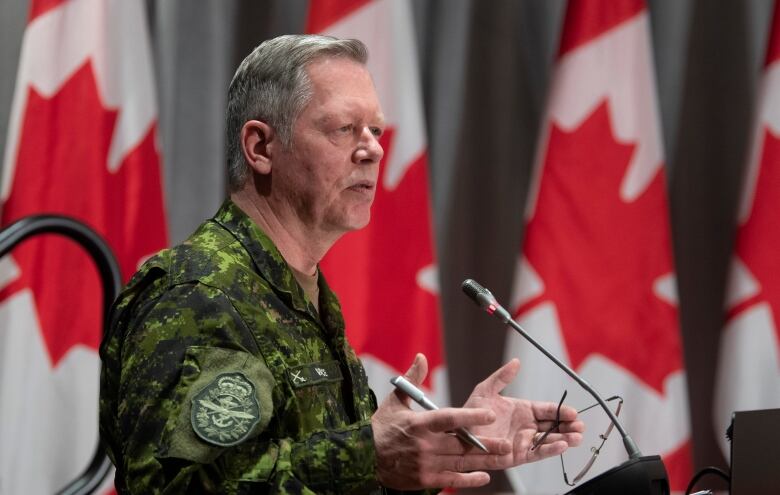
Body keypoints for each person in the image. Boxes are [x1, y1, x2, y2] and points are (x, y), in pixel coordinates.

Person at [99, 34, 584, 494]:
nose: (373, 149)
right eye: (343, 128)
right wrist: (367, 454)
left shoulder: (303, 293)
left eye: (375, 129)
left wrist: (441, 446)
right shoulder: (199, 293)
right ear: (261, 148)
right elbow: (172, 487)